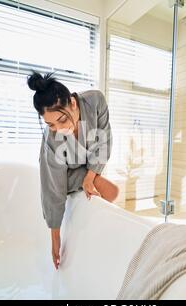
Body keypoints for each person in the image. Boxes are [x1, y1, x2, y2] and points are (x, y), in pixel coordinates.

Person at [27, 71, 119, 270]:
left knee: (113, 192)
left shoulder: (95, 102)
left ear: (73, 104)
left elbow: (104, 141)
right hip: (62, 175)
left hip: (88, 166)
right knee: (107, 190)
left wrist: (90, 176)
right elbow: (53, 186)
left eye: (62, 119)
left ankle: (92, 236)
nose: (58, 129)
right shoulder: (51, 139)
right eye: (50, 124)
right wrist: (55, 236)